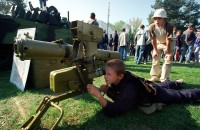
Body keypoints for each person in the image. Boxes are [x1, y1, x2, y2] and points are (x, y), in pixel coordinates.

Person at [87, 59, 200, 117]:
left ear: (120, 76)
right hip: (148, 85)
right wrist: (107, 90)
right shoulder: (122, 77)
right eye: (105, 73)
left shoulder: (129, 89)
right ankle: (177, 82)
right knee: (163, 85)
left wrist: (99, 96)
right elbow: (118, 92)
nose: (105, 76)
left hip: (154, 93)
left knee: (180, 95)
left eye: (109, 74)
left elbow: (116, 110)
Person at [148, 8, 174, 82]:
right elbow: (153, 39)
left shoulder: (169, 26)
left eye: (159, 18)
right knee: (155, 57)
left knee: (168, 60)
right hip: (158, 42)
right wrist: (155, 51)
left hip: (169, 43)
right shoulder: (151, 27)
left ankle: (164, 78)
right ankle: (155, 76)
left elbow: (168, 39)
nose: (156, 20)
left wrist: (168, 53)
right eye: (155, 18)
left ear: (165, 19)